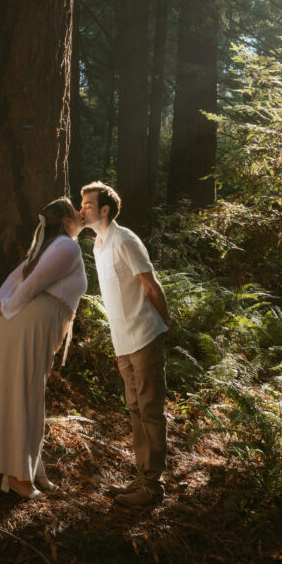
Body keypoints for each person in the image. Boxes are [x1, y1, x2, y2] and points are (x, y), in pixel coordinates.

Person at [0, 197, 86, 500]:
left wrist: (1, 305)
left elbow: (15, 277)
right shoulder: (67, 246)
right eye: (76, 210)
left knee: (24, 393)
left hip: (22, 324)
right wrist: (6, 308)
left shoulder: (50, 247)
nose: (80, 212)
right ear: (65, 221)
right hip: (26, 325)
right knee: (25, 395)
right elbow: (33, 282)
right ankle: (17, 477)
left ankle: (27, 467)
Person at [80, 181, 174, 508]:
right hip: (123, 341)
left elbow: (150, 285)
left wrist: (166, 321)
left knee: (150, 409)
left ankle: (153, 486)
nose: (82, 210)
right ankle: (143, 476)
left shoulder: (125, 240)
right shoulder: (98, 245)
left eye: (88, 205)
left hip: (145, 335)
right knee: (135, 409)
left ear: (105, 210)